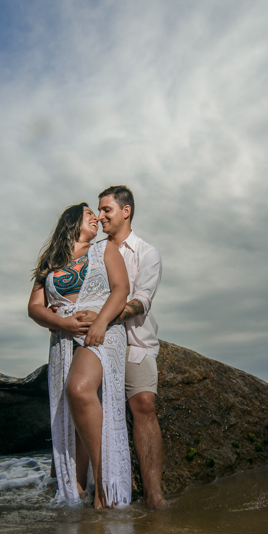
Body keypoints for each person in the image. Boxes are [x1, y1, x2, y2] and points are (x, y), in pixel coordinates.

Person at [27, 203, 132, 508]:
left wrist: (99, 324)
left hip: (102, 333)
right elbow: (34, 307)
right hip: (64, 340)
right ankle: (77, 490)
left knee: (78, 388)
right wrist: (62, 323)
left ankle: (104, 483)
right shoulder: (50, 262)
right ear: (72, 222)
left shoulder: (105, 249)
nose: (96, 218)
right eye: (89, 214)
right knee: (72, 414)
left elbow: (120, 290)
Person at [93, 185, 167, 510]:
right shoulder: (94, 252)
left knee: (145, 404)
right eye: (98, 210)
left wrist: (104, 318)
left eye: (106, 209)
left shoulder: (147, 253)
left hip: (135, 342)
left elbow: (141, 301)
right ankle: (97, 492)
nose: (100, 216)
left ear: (126, 211)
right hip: (98, 341)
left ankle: (154, 495)